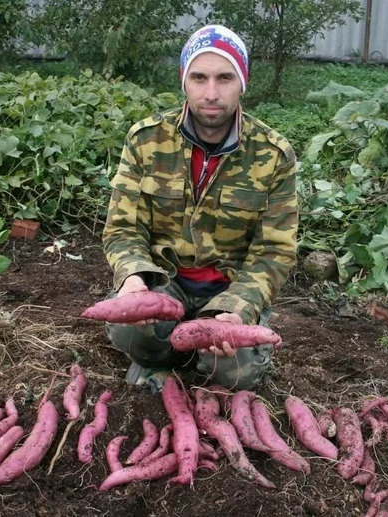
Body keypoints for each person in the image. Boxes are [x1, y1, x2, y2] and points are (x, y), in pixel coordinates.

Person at [101, 24, 299, 390]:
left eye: (225, 78)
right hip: (165, 282)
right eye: (199, 77)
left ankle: (207, 358)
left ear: (243, 81)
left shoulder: (273, 155)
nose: (211, 93)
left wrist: (239, 308)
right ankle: (159, 358)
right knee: (129, 331)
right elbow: (124, 228)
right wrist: (133, 278)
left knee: (232, 370)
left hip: (229, 289)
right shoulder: (146, 140)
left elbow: (274, 250)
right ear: (184, 80)